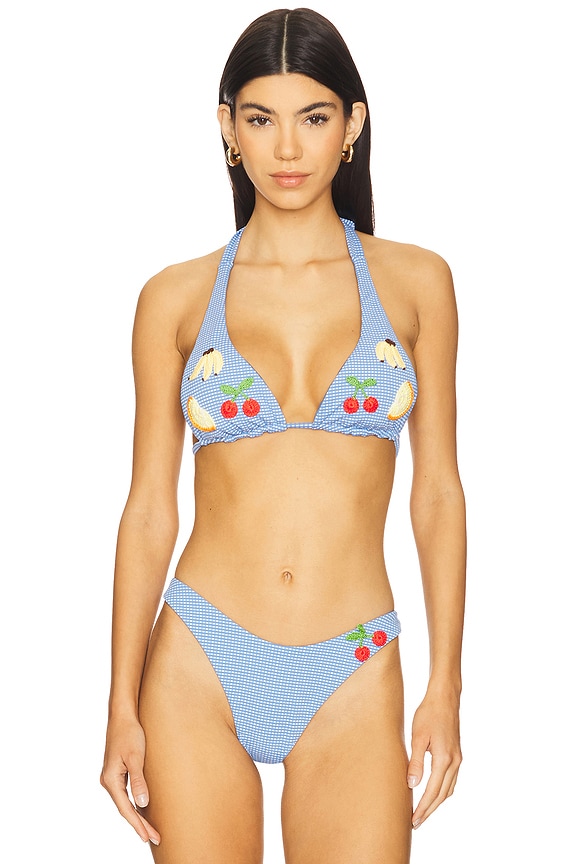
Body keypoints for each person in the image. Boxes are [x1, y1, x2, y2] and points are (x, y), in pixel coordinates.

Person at [100, 7, 466, 862]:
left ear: (353, 125)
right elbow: (149, 508)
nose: (288, 148)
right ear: (228, 128)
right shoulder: (174, 298)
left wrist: (446, 685)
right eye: (262, 119)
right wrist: (119, 701)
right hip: (199, 657)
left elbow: (438, 494)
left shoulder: (417, 283)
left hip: (353, 662)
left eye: (315, 117)